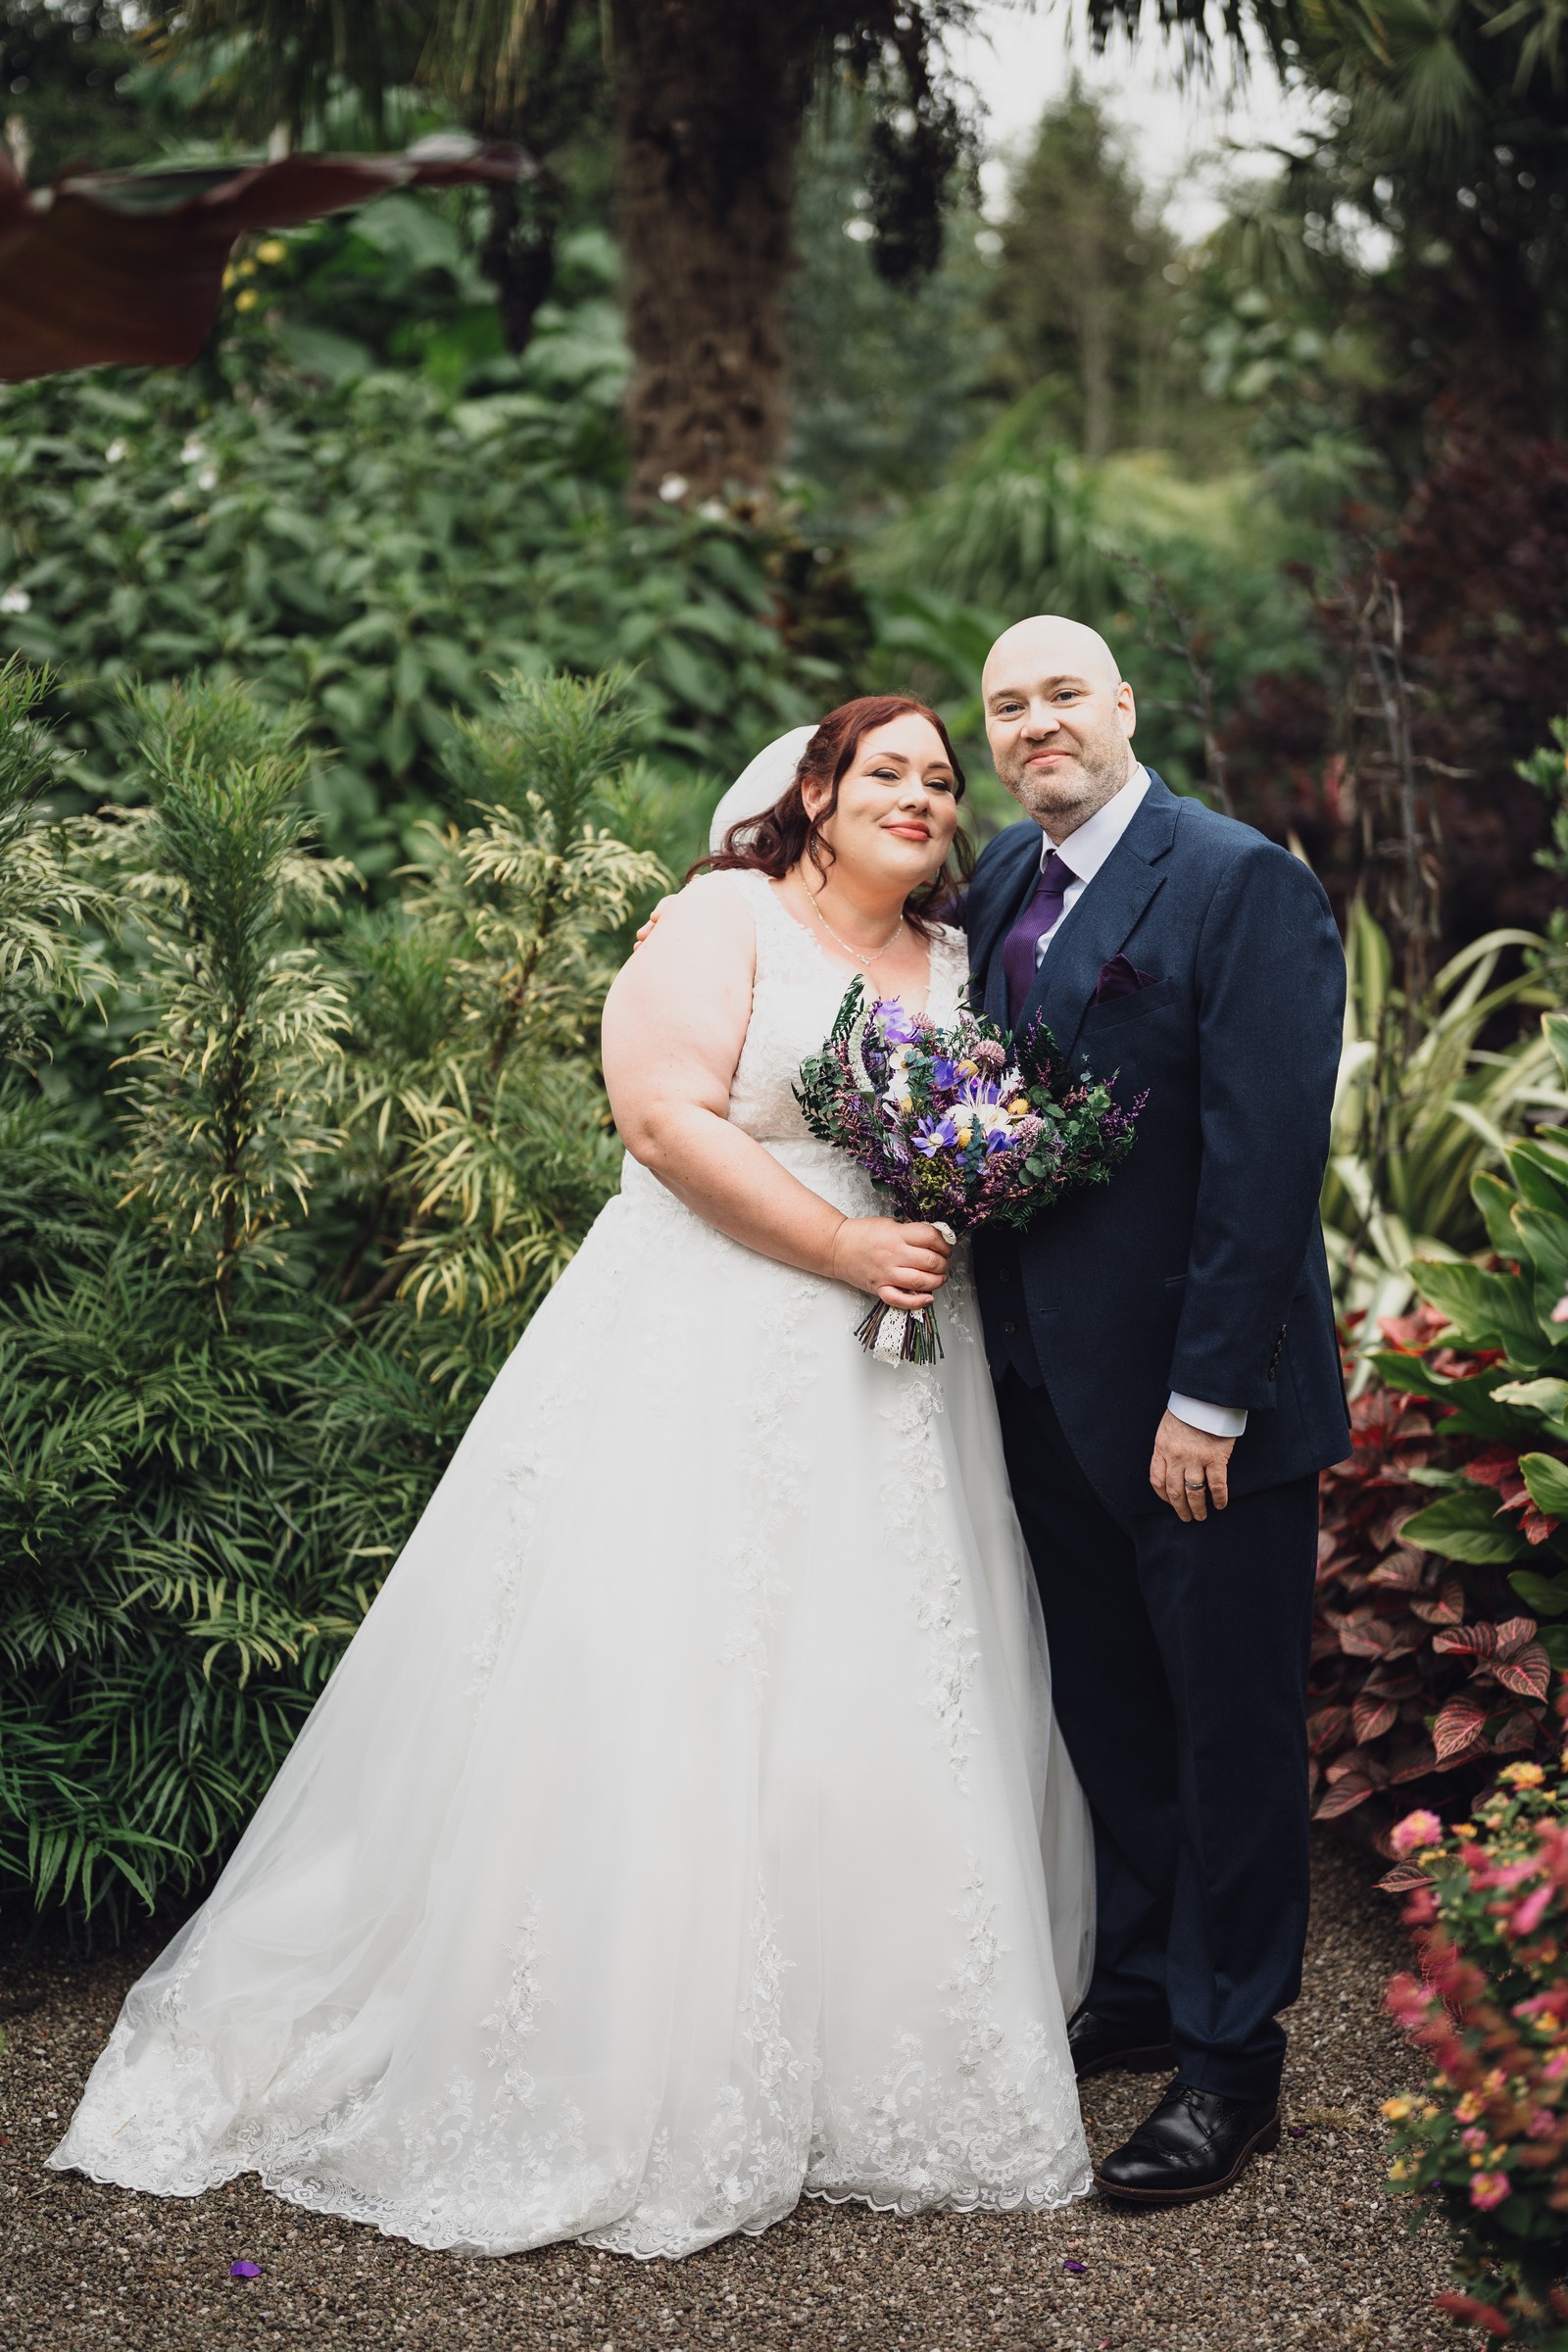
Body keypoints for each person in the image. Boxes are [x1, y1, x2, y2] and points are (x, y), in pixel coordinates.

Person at [49, 696, 1095, 2259]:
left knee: (880, 1675)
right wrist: (845, 1245)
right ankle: (630, 2041)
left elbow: (964, 1136)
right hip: (714, 1341)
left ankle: (865, 2046)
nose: (924, 798)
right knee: (677, 1665)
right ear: (814, 792)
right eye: (889, 770)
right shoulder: (723, 916)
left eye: (943, 783)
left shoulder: (952, 966)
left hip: (899, 1369)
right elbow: (663, 1120)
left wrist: (954, 1213)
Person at [967, 615, 1348, 2204]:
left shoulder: (1238, 878)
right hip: (1041, 1388)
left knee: (1230, 1727)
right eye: (1008, 704)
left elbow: (1264, 1171)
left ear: (1123, 707)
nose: (1037, 722)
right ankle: (1136, 1989)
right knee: (1110, 1709)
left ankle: (1229, 2065)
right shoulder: (998, 881)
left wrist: (1209, 1400)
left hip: (1204, 1412)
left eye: (1065, 693)